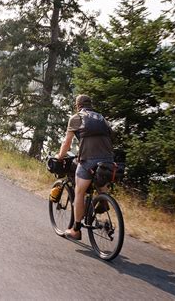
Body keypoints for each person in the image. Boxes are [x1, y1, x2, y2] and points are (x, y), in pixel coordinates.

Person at [56, 94, 114, 240]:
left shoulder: (76, 118)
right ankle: (103, 199)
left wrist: (60, 157)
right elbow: (111, 136)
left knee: (79, 192)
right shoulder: (102, 118)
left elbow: (66, 143)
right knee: (100, 180)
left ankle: (75, 230)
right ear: (91, 104)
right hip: (108, 160)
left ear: (78, 105)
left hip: (88, 160)